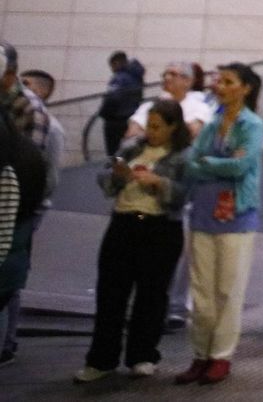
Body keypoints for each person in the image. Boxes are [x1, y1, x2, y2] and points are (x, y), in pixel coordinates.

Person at [75, 98, 192, 383]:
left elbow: (186, 193)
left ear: (173, 127)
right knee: (111, 293)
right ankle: (101, 359)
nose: (150, 132)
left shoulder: (183, 156)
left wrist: (158, 183)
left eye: (157, 126)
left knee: (151, 295)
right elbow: (104, 177)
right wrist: (119, 176)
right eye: (148, 125)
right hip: (123, 223)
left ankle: (142, 355)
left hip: (160, 228)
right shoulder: (131, 148)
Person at [177, 62, 263, 386]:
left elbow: (242, 166)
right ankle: (200, 354)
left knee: (228, 290)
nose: (219, 86)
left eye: (228, 81)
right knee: (201, 292)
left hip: (236, 217)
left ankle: (221, 356)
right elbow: (189, 163)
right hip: (202, 213)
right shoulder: (213, 123)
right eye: (219, 81)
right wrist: (217, 165)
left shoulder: (252, 125)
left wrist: (209, 163)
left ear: (245, 88)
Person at [0, 41, 53, 369]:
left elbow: (30, 169)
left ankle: (6, 345)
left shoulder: (27, 108)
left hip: (17, 204)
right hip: (15, 200)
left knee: (8, 276)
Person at [126, 60, 214, 141]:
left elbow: (192, 133)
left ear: (188, 81)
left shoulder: (200, 107)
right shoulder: (148, 106)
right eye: (165, 74)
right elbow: (132, 134)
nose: (167, 78)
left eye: (173, 74)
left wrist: (149, 134)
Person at [99, 51, 147, 157]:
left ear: (116, 63)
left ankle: (116, 171)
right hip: (131, 118)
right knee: (129, 152)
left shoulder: (119, 78)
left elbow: (112, 98)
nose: (112, 70)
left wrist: (103, 113)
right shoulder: (137, 77)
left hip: (115, 120)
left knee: (114, 153)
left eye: (112, 66)